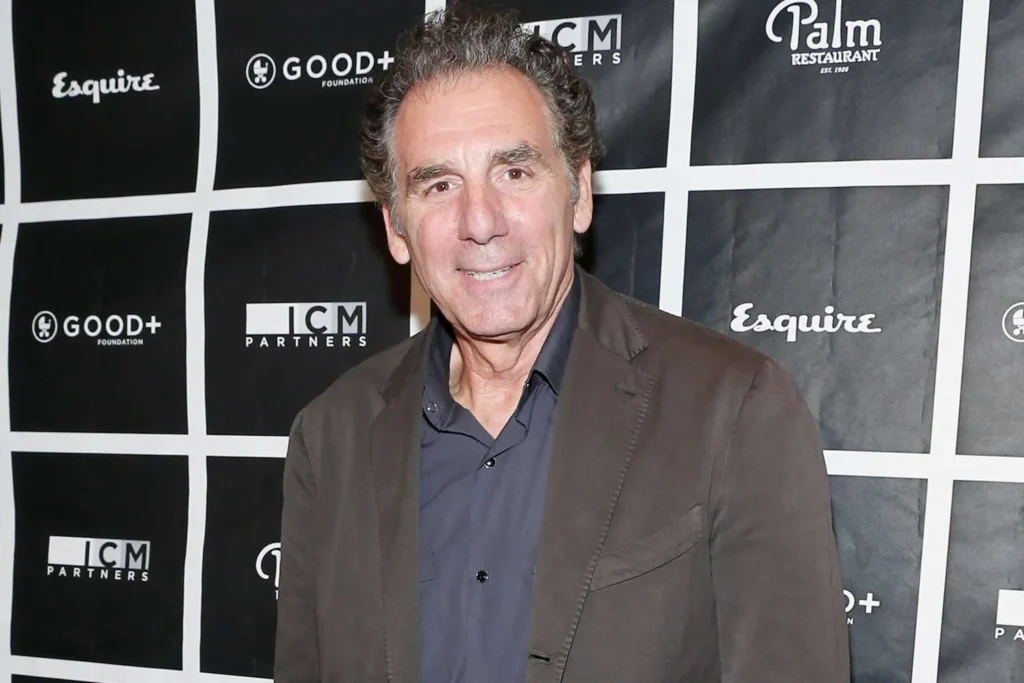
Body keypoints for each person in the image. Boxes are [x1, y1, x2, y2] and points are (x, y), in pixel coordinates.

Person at [273, 4, 851, 682]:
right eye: (439, 184)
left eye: (514, 172)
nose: (480, 221)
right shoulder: (331, 437)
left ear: (578, 194)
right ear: (396, 229)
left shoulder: (733, 409)